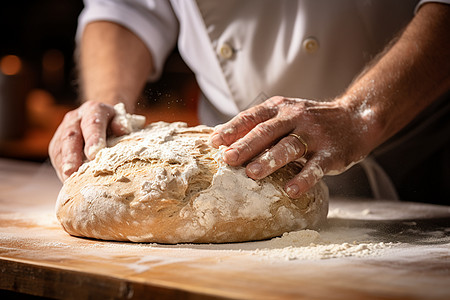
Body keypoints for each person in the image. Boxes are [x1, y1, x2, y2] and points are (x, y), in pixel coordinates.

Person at [49, 0, 450, 204]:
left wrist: (358, 115)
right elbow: (124, 8)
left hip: (411, 145)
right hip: (234, 160)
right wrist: (108, 109)